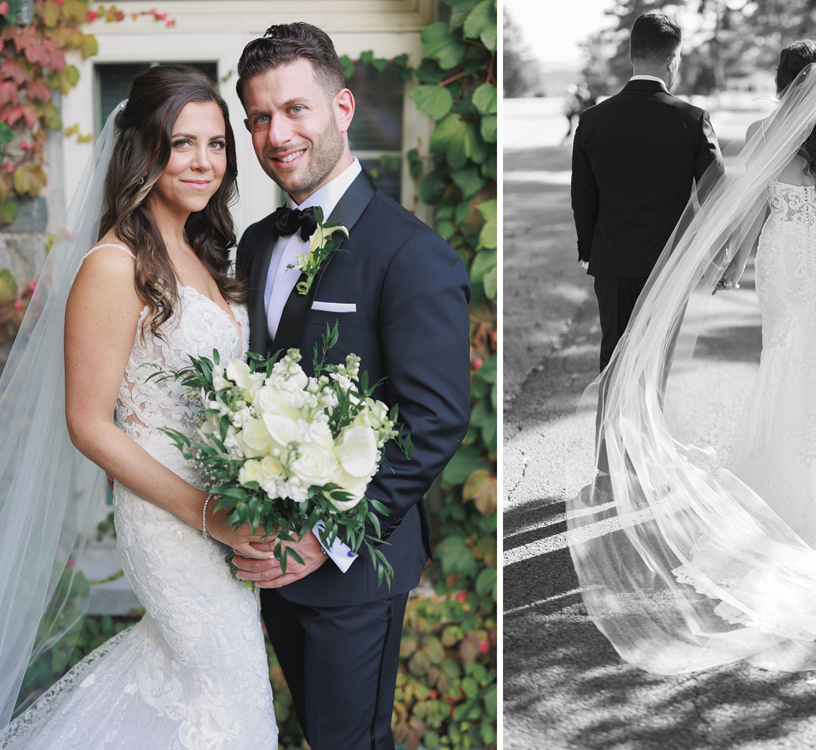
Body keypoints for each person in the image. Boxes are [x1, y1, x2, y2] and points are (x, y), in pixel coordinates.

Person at [566, 41, 816, 674]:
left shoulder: (763, 129)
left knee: (784, 360)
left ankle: (771, 496)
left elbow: (750, 209)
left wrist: (735, 263)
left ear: (780, 81)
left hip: (782, 258)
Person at [0, 66, 278, 747]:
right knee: (219, 694)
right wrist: (206, 513)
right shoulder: (114, 263)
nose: (203, 162)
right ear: (144, 149)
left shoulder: (205, 253)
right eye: (183, 143)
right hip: (169, 516)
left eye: (216, 145)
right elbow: (89, 423)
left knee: (215, 691)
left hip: (225, 510)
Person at [230, 23, 471, 750]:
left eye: (295, 110)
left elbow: (435, 420)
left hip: (354, 568)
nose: (277, 134)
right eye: (260, 118)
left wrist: (323, 536)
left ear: (342, 108)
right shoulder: (256, 243)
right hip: (268, 561)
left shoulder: (411, 253)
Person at [571, 12, 723, 372]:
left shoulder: (592, 120)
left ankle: (610, 431)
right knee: (656, 359)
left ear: (630, 54)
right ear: (673, 60)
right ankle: (646, 427)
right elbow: (715, 191)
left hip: (612, 261)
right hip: (670, 262)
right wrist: (712, 251)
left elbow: (583, 196)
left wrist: (588, 251)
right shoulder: (692, 119)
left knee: (613, 359)